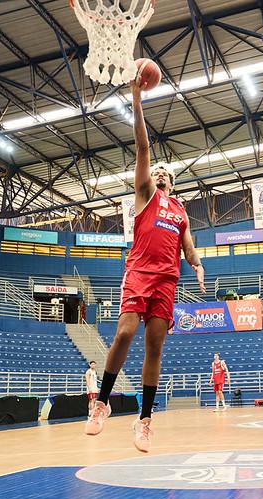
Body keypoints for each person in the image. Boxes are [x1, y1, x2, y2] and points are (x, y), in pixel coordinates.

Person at [84, 75, 206, 453]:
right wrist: (136, 98)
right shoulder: (145, 196)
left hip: (167, 281)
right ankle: (100, 403)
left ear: (173, 183)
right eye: (157, 171)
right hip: (139, 272)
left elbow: (188, 248)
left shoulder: (182, 212)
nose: (160, 173)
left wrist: (198, 266)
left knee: (155, 349)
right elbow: (142, 146)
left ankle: (145, 421)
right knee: (124, 334)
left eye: (166, 173)